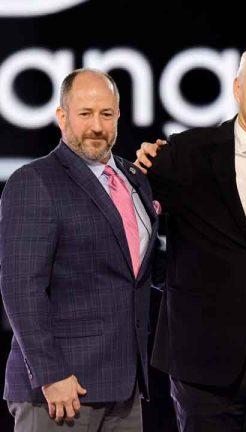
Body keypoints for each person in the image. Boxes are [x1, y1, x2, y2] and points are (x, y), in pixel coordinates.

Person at [134, 40, 246, 431]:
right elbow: (132, 228)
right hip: (202, 361)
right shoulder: (184, 154)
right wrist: (173, 280)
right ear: (237, 88)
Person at [1, 69, 159, 430]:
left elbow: (141, 268)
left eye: (106, 114)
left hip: (123, 388)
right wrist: (50, 373)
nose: (97, 126)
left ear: (119, 115)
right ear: (62, 117)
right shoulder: (35, 181)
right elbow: (20, 287)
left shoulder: (134, 179)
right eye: (85, 114)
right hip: (60, 391)